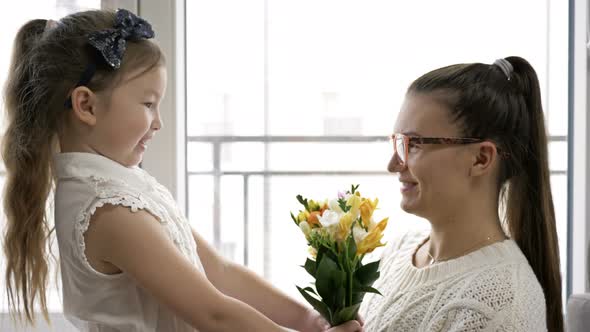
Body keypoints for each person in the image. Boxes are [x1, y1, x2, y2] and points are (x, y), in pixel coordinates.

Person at [2, 9, 363, 332]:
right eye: (148, 103)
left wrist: (309, 320)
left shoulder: (122, 187)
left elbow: (219, 272)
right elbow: (212, 314)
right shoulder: (107, 209)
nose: (158, 122)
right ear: (86, 105)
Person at [359, 57, 563, 331]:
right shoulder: (400, 250)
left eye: (414, 144)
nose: (393, 164)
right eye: (398, 142)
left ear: (480, 158)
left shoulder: (502, 309)